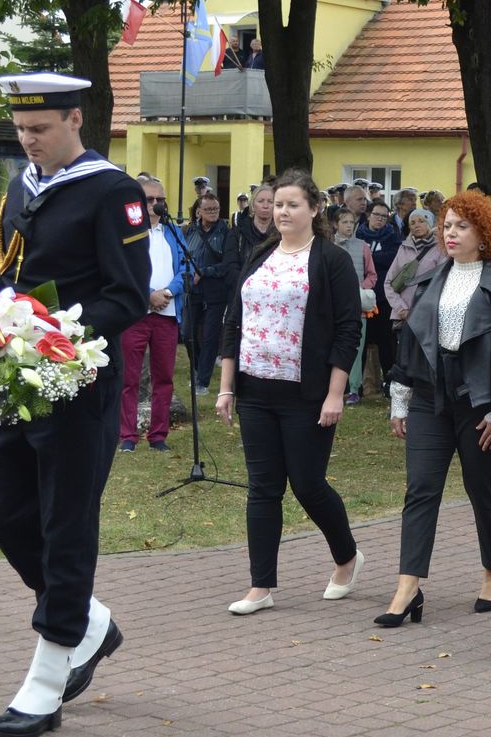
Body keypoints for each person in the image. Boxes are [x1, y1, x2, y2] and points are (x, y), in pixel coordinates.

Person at [0, 72, 152, 737]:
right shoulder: (22, 185)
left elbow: (128, 294)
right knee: (5, 518)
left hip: (78, 385)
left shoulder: (111, 192)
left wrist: (57, 335)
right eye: (21, 129)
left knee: (65, 527)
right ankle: (90, 622)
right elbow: (5, 265)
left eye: (40, 129)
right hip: (17, 380)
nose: (28, 141)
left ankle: (47, 680)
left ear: (75, 120)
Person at [216, 170, 363, 617]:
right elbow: (234, 321)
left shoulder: (332, 261)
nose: (282, 211)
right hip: (255, 390)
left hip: (307, 394)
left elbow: (347, 330)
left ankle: (347, 557)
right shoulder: (260, 253)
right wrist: (226, 387)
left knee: (307, 484)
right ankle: (260, 586)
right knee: (263, 488)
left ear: (314, 209)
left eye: (292, 204)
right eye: (278, 204)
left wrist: (335, 394)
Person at [379, 194, 491, 627]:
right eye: (447, 226)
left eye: (462, 226)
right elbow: (410, 341)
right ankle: (408, 587)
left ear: (484, 233)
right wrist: (400, 397)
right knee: (420, 489)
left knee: (483, 488)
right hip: (428, 396)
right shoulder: (430, 279)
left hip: (478, 402)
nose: (451, 233)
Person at [115, 178, 182, 453]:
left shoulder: (172, 232)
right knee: (129, 378)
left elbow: (186, 268)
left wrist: (168, 291)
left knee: (163, 377)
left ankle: (158, 435)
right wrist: (148, 295)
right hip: (136, 314)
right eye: (149, 199)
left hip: (167, 313)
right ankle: (127, 435)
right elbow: (121, 270)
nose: (155, 204)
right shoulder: (127, 232)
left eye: (160, 199)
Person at [185, 194, 232, 395]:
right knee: (187, 334)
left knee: (210, 336)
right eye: (208, 209)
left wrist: (204, 272)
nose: (213, 212)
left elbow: (228, 264)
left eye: (216, 209)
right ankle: (198, 368)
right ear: (199, 212)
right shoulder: (189, 231)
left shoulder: (226, 233)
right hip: (193, 290)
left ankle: (202, 382)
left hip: (216, 291)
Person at [330, 206, 378, 405]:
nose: (349, 226)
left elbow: (372, 275)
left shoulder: (362, 246)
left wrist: (359, 288)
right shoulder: (327, 245)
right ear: (335, 224)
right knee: (330, 345)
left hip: (356, 306)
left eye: (352, 222)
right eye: (345, 222)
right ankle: (332, 387)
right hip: (331, 304)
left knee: (356, 347)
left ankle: (354, 388)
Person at [356, 199, 403, 398]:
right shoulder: (358, 234)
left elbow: (393, 258)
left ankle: (389, 384)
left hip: (383, 298)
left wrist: (368, 258)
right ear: (369, 215)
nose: (380, 219)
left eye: (384, 216)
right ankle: (356, 386)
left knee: (386, 343)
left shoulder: (393, 237)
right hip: (361, 296)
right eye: (376, 215)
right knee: (360, 342)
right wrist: (376, 259)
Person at [386, 207, 446, 325]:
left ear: (429, 224)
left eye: (421, 221)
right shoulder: (403, 248)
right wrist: (401, 309)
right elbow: (388, 283)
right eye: (412, 223)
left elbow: (442, 282)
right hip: (403, 317)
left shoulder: (440, 249)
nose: (416, 225)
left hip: (428, 317)